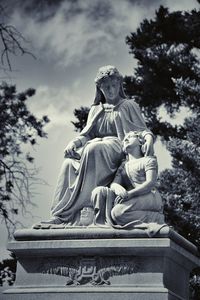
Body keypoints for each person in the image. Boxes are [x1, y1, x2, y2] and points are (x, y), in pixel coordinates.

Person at [41, 66, 154, 227]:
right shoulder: (95, 110)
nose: (110, 90)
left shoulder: (128, 105)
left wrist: (148, 138)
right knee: (68, 165)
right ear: (100, 88)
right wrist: (74, 143)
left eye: (113, 85)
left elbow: (142, 131)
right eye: (106, 86)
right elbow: (87, 134)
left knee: (94, 148)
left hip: (118, 148)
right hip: (94, 148)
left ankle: (87, 205)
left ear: (119, 86)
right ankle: (63, 215)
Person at [91, 131, 165, 228]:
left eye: (130, 137)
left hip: (149, 196)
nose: (125, 139)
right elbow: (114, 184)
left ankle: (155, 218)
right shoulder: (123, 166)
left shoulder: (148, 160)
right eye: (125, 138)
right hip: (131, 198)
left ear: (140, 142)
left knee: (117, 213)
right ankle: (102, 223)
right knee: (99, 192)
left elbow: (150, 183)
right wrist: (116, 187)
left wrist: (130, 194)